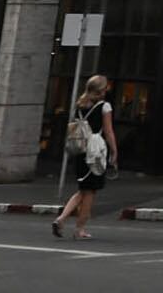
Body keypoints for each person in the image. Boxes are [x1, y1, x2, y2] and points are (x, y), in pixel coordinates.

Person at [51, 76, 117, 240]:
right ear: (102, 90)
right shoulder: (104, 106)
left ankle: (61, 219)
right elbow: (108, 131)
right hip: (95, 152)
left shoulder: (80, 105)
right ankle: (79, 228)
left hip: (81, 151)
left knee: (83, 189)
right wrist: (115, 150)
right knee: (90, 191)